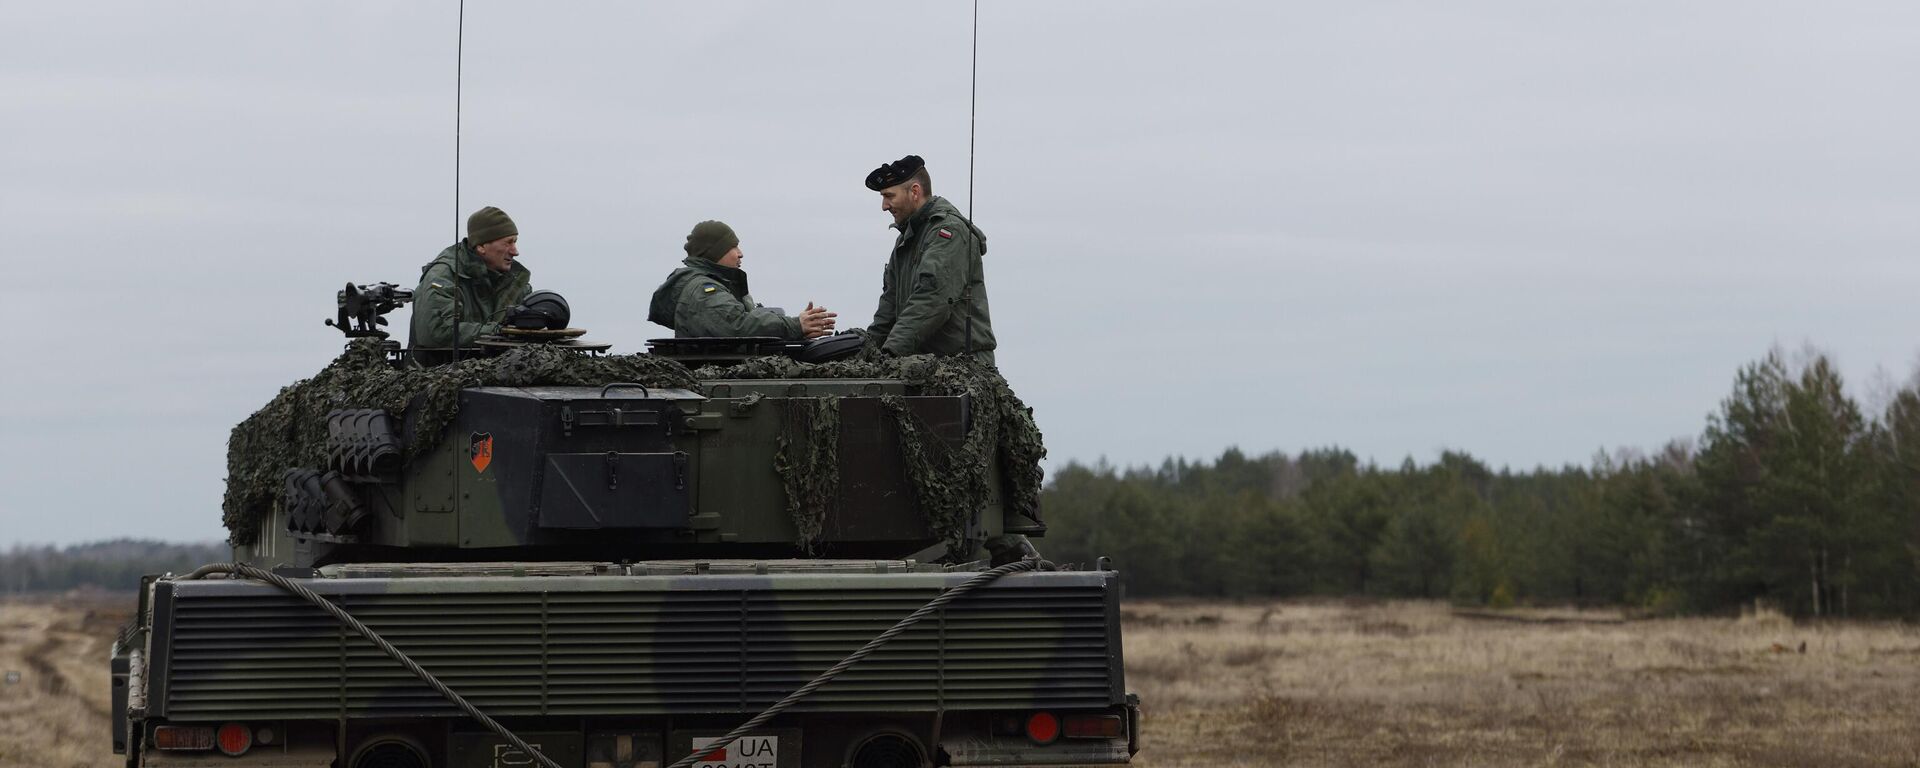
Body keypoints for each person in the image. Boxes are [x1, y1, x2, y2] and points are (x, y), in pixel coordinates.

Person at [864, 155, 995, 364]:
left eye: (889, 196)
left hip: (960, 368)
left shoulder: (948, 232)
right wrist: (864, 351)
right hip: (920, 365)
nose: (884, 206)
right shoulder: (906, 240)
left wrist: (889, 354)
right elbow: (888, 312)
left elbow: (932, 298)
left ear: (915, 191)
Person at [648, 220, 836, 339]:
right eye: (733, 247)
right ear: (715, 251)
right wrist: (794, 326)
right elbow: (736, 326)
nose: (740, 254)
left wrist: (797, 329)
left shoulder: (709, 285)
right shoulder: (703, 290)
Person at [407, 206, 534, 365]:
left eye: (515, 242)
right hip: (437, 379)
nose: (515, 251)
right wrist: (499, 332)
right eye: (508, 243)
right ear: (481, 246)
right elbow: (436, 332)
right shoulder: (443, 277)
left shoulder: (515, 282)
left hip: (498, 378)